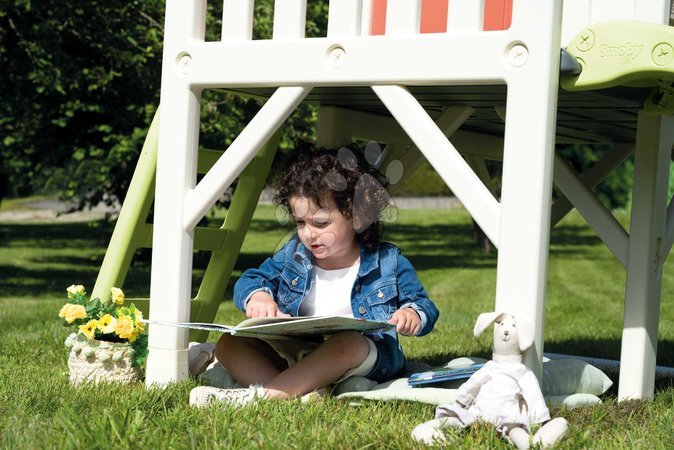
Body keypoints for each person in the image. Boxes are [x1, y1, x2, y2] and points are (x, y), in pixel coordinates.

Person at [189, 141, 439, 407]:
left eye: (320, 222)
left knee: (347, 344)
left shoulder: (388, 261)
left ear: (358, 215)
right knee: (228, 343)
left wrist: (412, 315)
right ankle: (297, 393)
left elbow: (424, 306)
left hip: (361, 356)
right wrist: (258, 297)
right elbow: (252, 280)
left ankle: (261, 397)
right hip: (298, 352)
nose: (308, 233)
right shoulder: (294, 255)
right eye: (300, 223)